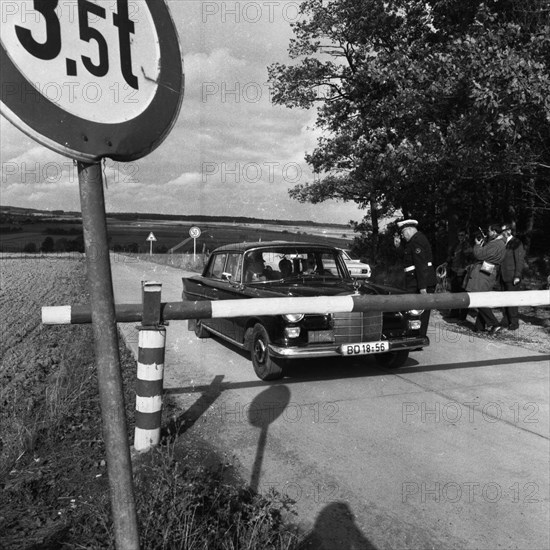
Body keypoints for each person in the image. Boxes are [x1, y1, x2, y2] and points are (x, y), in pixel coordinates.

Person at [394, 219, 437, 338]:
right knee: (414, 311)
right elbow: (407, 258)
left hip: (421, 281)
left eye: (403, 233)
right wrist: (398, 247)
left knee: (420, 312)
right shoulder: (413, 242)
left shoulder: (417, 241)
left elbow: (421, 265)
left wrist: (422, 287)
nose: (402, 236)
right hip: (415, 280)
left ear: (409, 230)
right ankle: (415, 335)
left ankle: (418, 337)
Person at [464, 223, 506, 333]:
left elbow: (479, 255)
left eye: (489, 231)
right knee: (481, 298)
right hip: (487, 272)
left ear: (495, 232)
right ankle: (479, 327)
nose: (488, 233)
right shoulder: (497, 243)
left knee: (478, 299)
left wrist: (477, 245)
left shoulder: (497, 244)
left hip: (484, 274)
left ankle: (495, 324)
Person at [499, 223, 525, 331]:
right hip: (503, 275)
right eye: (502, 231)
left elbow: (519, 260)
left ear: (509, 231)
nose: (503, 233)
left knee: (512, 300)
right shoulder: (503, 243)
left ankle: (514, 322)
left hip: (512, 276)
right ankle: (506, 320)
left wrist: (517, 275)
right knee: (505, 299)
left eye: (505, 230)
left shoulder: (516, 242)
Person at [445, 229, 473, 320]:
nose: (460, 237)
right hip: (454, 270)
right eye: (459, 235)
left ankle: (462, 316)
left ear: (465, 236)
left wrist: (465, 268)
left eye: (462, 235)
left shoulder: (467, 245)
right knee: (454, 293)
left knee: (462, 293)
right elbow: (451, 255)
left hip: (462, 272)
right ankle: (454, 312)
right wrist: (448, 261)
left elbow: (470, 257)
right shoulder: (456, 245)